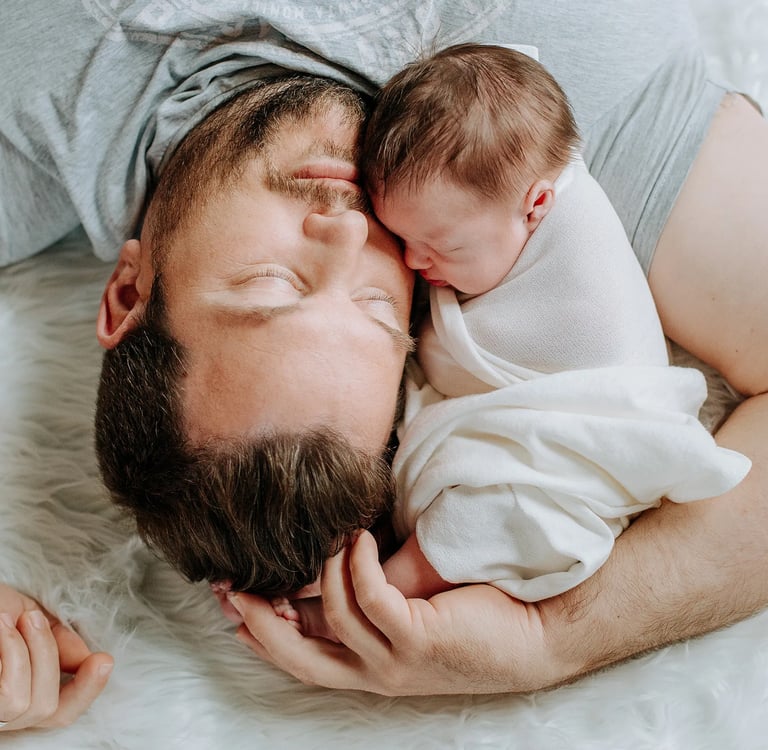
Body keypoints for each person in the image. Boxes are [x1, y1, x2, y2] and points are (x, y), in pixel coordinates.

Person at [0, 0, 766, 725]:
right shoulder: (536, 146)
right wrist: (551, 638)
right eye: (374, 305)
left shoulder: (34, 119)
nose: (345, 231)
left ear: (128, 293)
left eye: (269, 284)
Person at [271, 43, 751, 638]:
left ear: (537, 205)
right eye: (402, 238)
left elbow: (582, 400)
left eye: (442, 246)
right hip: (523, 419)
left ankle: (377, 596)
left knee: (492, 518)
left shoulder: (576, 260)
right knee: (414, 452)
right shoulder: (489, 193)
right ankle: (346, 557)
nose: (413, 261)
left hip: (593, 445)